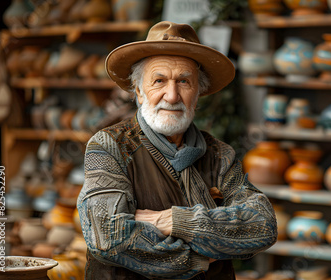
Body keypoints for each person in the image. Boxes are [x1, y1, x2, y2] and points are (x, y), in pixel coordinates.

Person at [76, 21, 278, 280]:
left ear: (198, 93)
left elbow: (262, 226)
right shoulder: (109, 147)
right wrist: (200, 259)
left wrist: (172, 220)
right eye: (159, 81)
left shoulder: (220, 155)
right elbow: (107, 237)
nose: (172, 96)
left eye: (184, 81)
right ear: (138, 91)